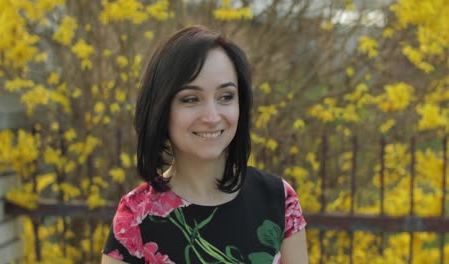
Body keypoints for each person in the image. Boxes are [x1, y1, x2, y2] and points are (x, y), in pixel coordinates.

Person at [102, 25, 308, 264]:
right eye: (191, 99)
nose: (211, 117)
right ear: (161, 108)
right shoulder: (135, 219)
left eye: (225, 97)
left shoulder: (278, 199)